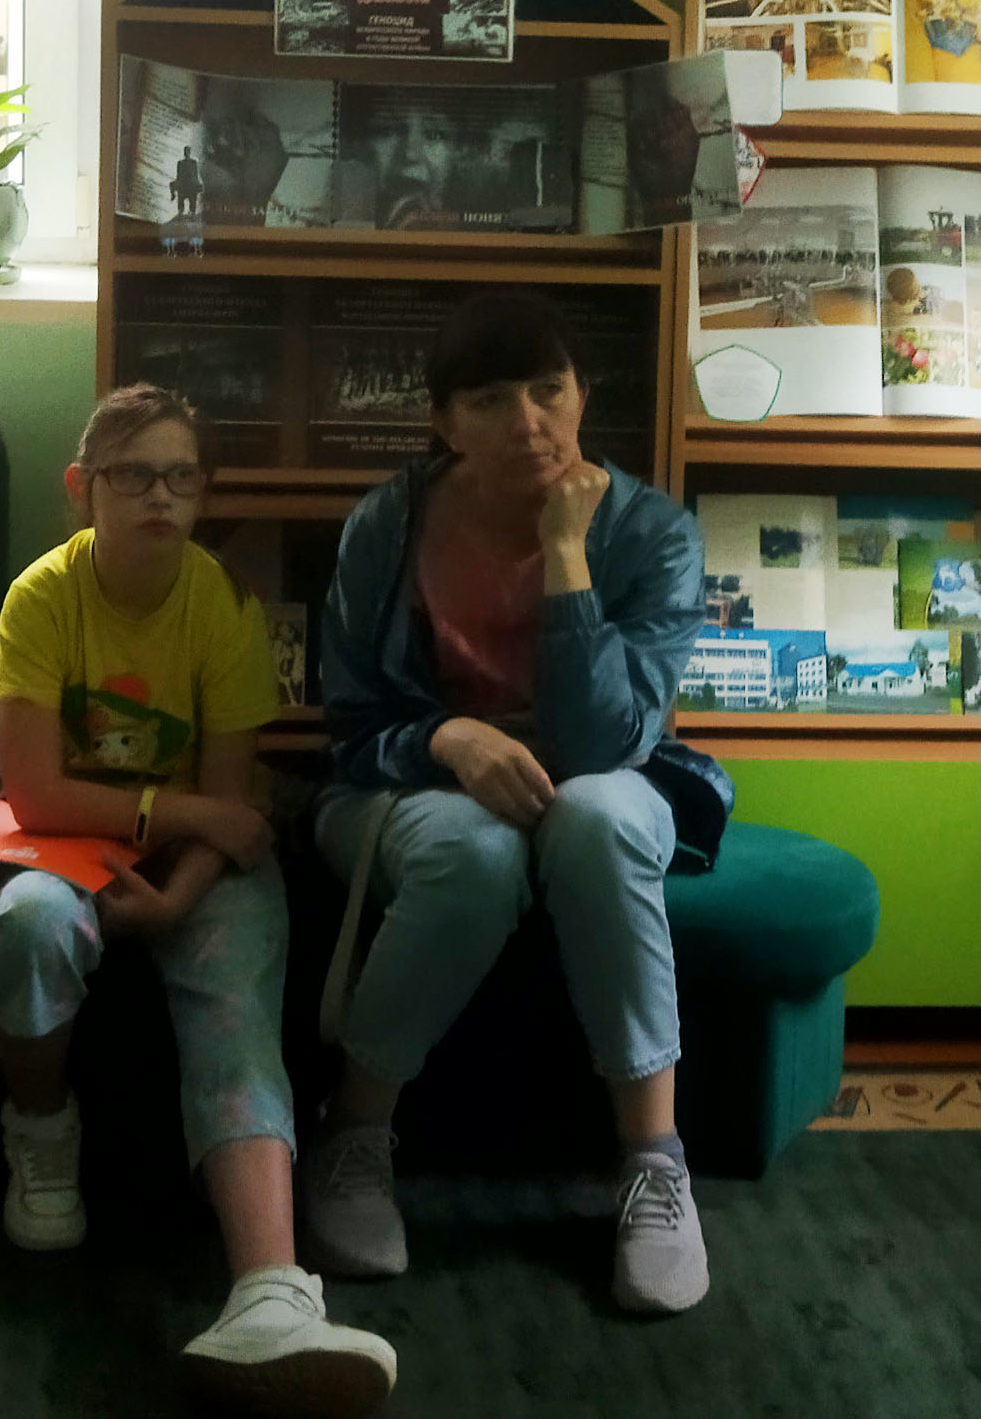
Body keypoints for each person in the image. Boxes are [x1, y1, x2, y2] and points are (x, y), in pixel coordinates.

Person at [298, 291, 725, 1314]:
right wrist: (448, 737)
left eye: (548, 390)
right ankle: (353, 1134)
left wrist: (566, 556)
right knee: (471, 852)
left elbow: (605, 744)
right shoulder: (387, 523)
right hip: (410, 782)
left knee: (600, 815)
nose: (528, 421)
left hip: (603, 779)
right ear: (444, 421)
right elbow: (350, 723)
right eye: (490, 399)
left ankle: (654, 1161)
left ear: (583, 396)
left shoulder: (652, 533)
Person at [0, 385, 396, 1411]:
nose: (160, 497)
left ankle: (270, 1289)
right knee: (28, 926)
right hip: (65, 842)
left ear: (203, 492)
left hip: (193, 858)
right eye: (133, 476)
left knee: (234, 999)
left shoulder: (221, 604)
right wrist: (185, 814)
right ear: (82, 488)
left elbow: (234, 808)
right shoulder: (41, 597)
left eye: (180, 477)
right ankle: (40, 1129)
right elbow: (34, 792)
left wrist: (178, 895)